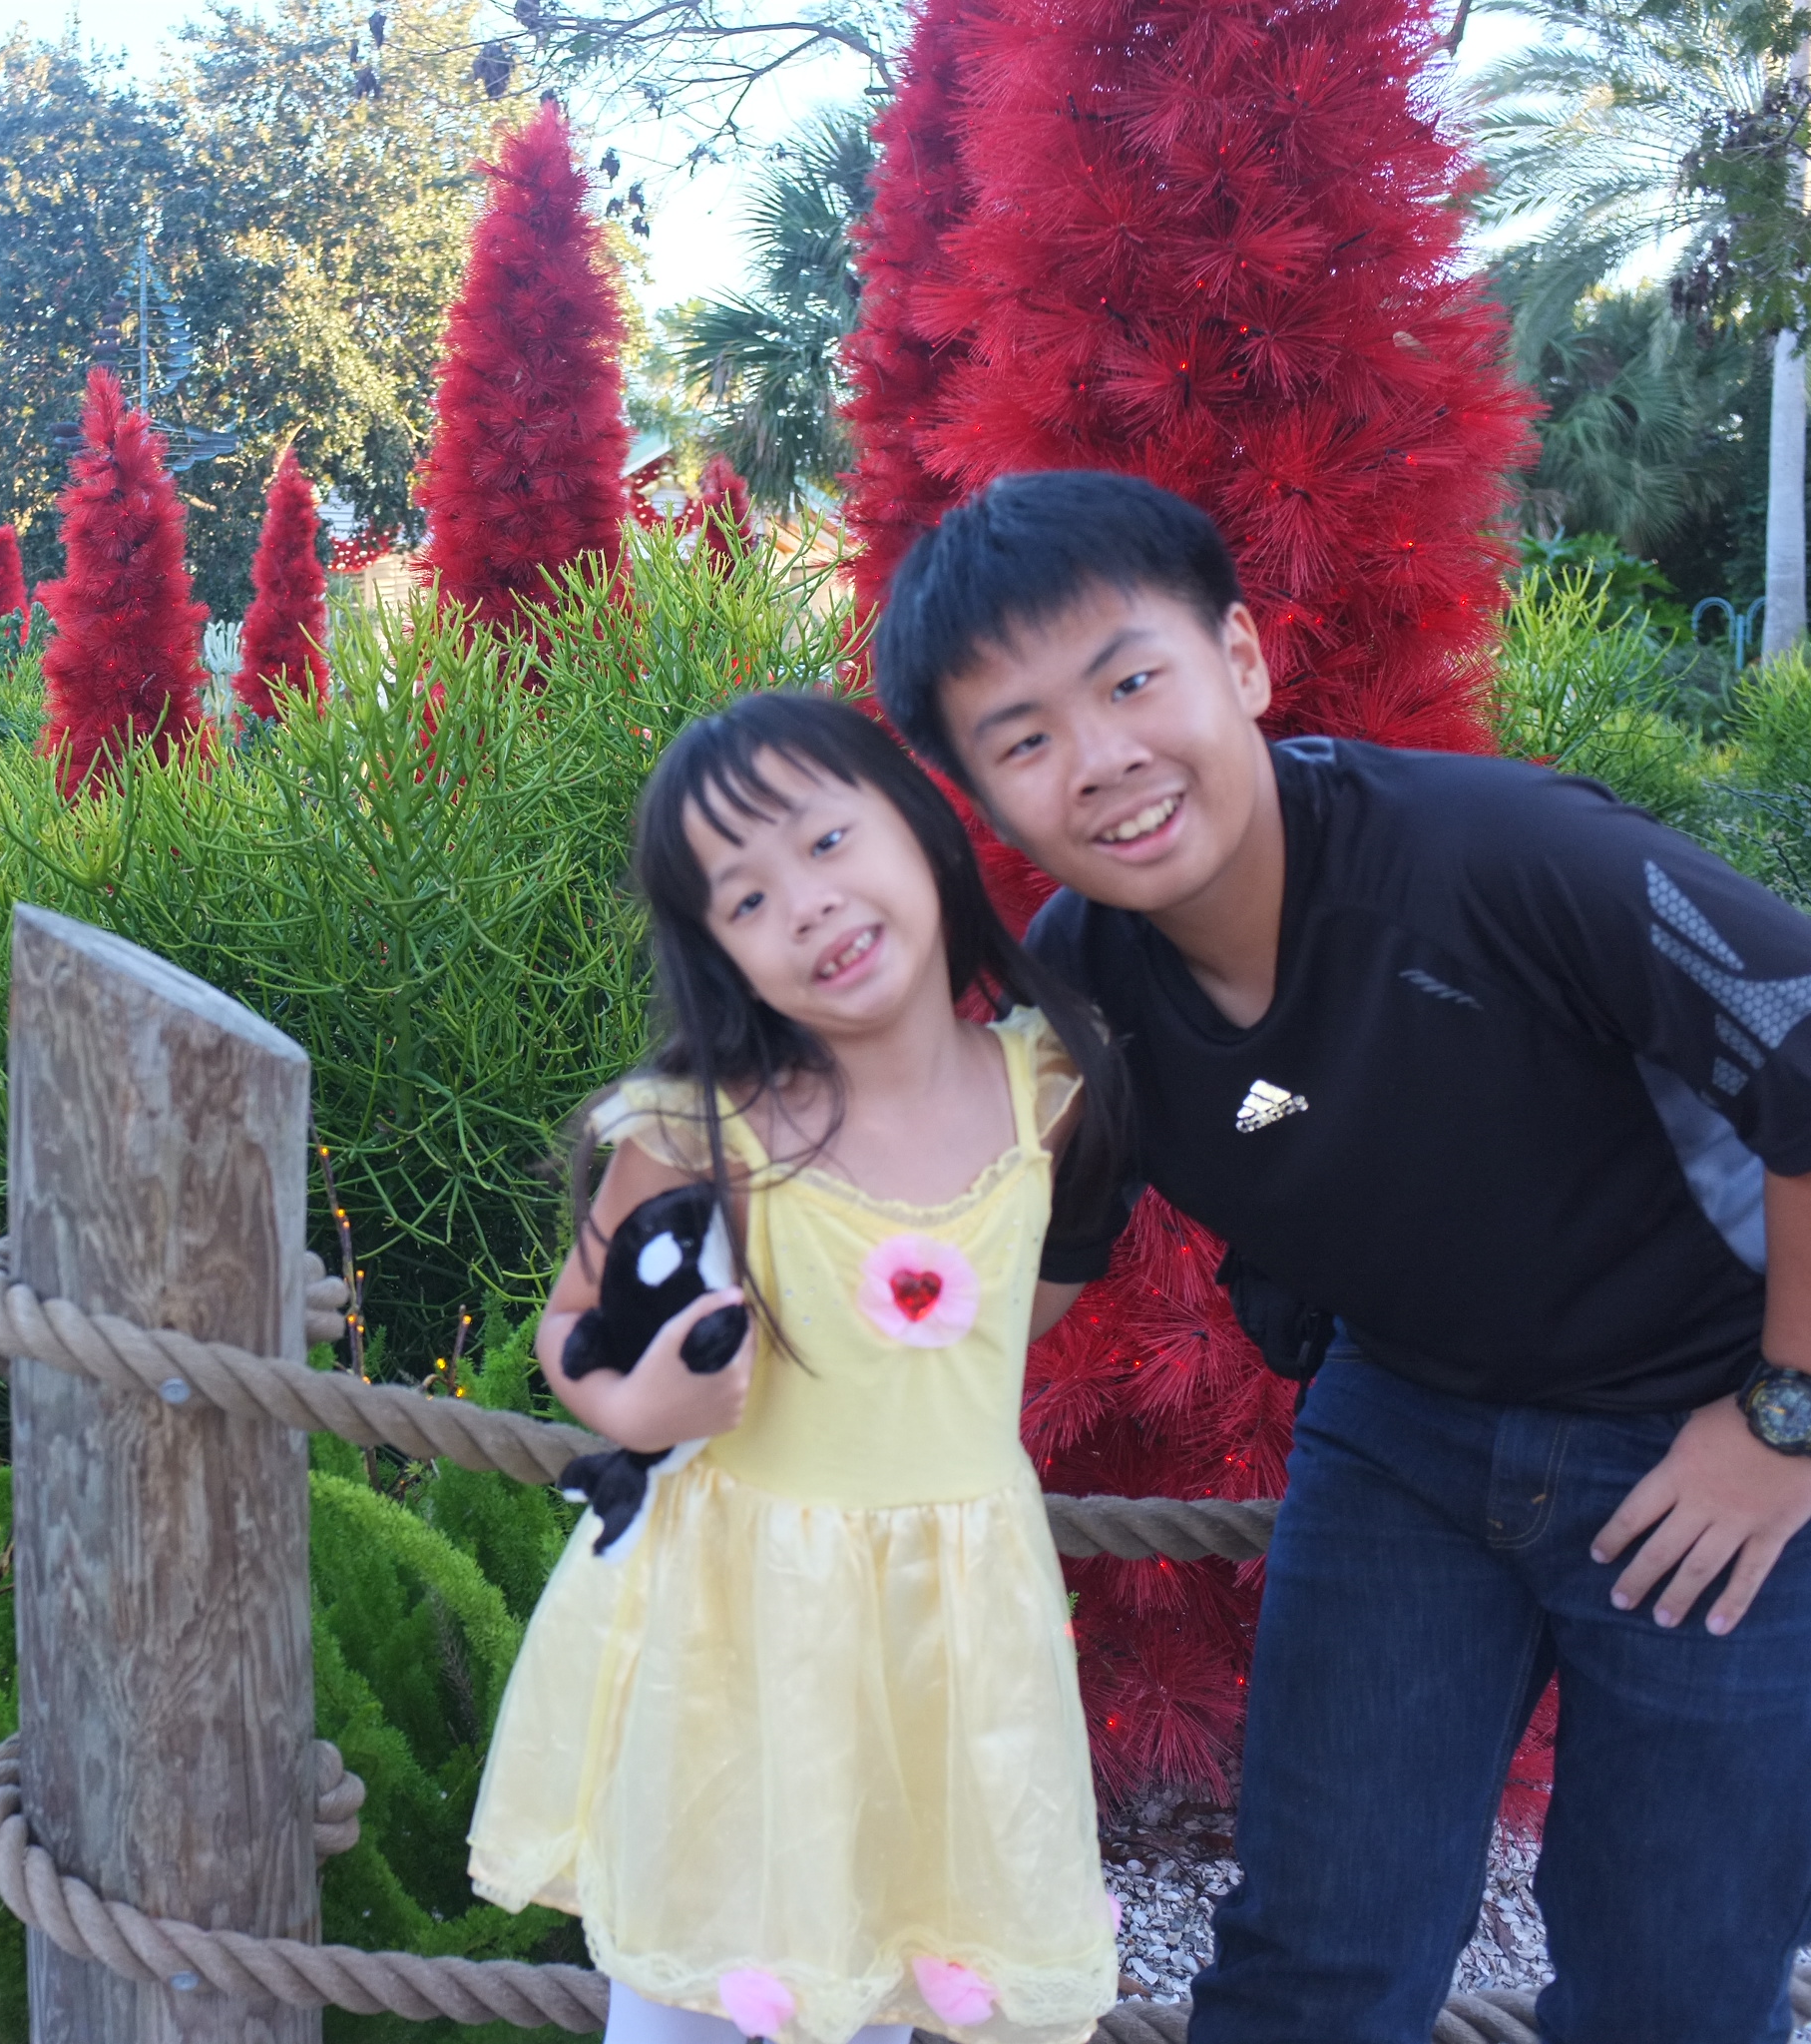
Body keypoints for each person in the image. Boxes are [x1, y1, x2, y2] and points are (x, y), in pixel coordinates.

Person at [874, 468, 1811, 2044]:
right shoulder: (1082, 982)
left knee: (1675, 1992)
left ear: (1239, 658)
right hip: (1407, 1437)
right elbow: (1020, 1267)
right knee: (1312, 1970)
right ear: (980, 794)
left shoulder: (1498, 857)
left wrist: (1786, 1419)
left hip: (1709, 1435)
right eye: (1022, 740)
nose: (1101, 761)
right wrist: (774, 1398)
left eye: (1130, 682)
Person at [469, 691, 1127, 2044]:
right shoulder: (703, 1131)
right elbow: (572, 1321)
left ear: (923, 827)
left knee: (886, 1949)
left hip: (951, 1620)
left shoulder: (1049, 1091)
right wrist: (637, 1403)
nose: (809, 905)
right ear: (719, 954)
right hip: (738, 1617)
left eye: (828, 842)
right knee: (702, 1980)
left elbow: (1025, 1293)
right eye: (748, 899)